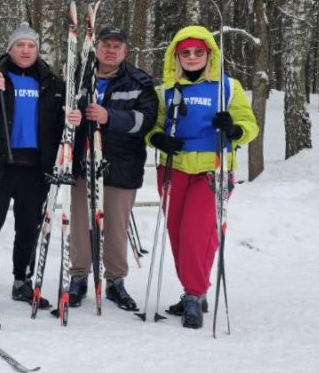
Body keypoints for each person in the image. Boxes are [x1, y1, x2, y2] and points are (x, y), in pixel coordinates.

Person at [147, 26, 257, 329]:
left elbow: (250, 125)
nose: (192, 57)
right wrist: (158, 139)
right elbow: (153, 126)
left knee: (197, 234)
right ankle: (195, 289)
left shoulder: (227, 87)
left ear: (209, 55)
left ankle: (193, 294)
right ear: (176, 56)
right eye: (186, 53)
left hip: (213, 170)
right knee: (177, 234)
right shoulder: (165, 90)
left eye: (199, 52)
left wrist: (234, 128)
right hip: (174, 169)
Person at [0, 22, 81, 310]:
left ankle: (22, 280)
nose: (26, 51)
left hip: (35, 168)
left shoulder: (53, 84)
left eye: (31, 46)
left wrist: (73, 119)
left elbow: (62, 125)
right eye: (20, 45)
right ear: (10, 49)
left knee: (29, 227)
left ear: (37, 50)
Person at [67, 26, 159, 311]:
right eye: (106, 44)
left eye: (117, 46)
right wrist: (69, 117)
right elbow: (60, 110)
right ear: (96, 48)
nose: (110, 50)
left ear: (125, 52)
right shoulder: (77, 77)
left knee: (116, 228)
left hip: (122, 165)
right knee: (81, 224)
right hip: (84, 163)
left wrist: (110, 117)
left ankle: (115, 281)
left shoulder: (139, 81)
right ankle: (78, 277)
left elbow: (145, 120)